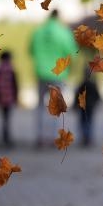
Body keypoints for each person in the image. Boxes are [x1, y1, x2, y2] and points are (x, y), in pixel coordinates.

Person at [28, 9, 78, 147]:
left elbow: (31, 50)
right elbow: (72, 53)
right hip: (58, 74)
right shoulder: (64, 32)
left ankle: (40, 136)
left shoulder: (38, 31)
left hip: (41, 72)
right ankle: (52, 137)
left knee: (39, 106)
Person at [0, 51, 19, 147]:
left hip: (1, 98)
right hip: (9, 97)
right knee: (7, 119)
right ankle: (6, 138)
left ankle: (4, 137)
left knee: (3, 118)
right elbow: (15, 85)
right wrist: (16, 97)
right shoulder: (11, 70)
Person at [74, 64, 101, 147]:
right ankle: (87, 138)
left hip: (86, 108)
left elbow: (77, 96)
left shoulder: (82, 84)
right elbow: (98, 96)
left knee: (85, 123)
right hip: (87, 108)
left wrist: (76, 105)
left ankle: (86, 138)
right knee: (87, 123)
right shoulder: (89, 85)